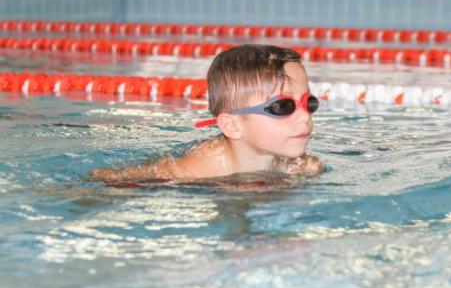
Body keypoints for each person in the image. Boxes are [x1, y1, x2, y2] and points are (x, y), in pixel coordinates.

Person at [90, 45, 324, 184]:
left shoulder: (295, 162)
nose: (304, 116)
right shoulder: (193, 171)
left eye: (309, 103)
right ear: (232, 126)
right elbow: (105, 178)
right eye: (282, 107)